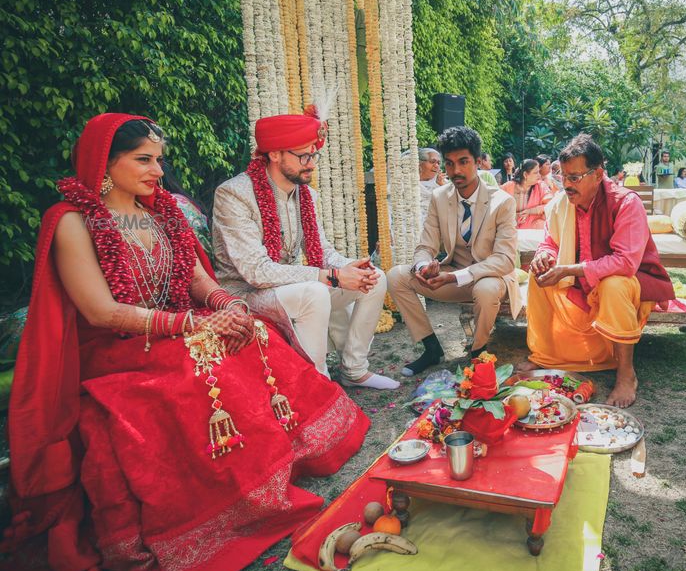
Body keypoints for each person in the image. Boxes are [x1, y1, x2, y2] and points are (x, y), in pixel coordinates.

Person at [4, 114, 369, 571]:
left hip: (174, 325)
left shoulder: (160, 210)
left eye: (159, 160)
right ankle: (229, 503)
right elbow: (99, 311)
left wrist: (224, 304)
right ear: (104, 162)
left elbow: (196, 279)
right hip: (117, 345)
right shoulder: (72, 221)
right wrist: (191, 325)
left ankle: (287, 462)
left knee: (252, 332)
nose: (158, 170)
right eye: (144, 160)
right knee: (201, 361)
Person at [212, 109, 399, 389]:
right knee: (314, 291)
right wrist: (332, 277)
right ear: (274, 154)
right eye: (303, 156)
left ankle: (355, 369)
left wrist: (350, 267)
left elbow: (322, 252)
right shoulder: (235, 194)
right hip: (245, 294)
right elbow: (255, 271)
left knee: (375, 278)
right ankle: (317, 386)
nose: (311, 164)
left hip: (288, 287)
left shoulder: (305, 195)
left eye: (314, 156)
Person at [521, 134, 674, 408]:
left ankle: (626, 373)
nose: (566, 185)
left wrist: (572, 269)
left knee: (613, 283)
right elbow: (550, 241)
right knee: (540, 276)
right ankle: (545, 357)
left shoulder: (626, 202)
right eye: (562, 177)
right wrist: (545, 256)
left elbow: (626, 262)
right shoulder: (560, 204)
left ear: (598, 174)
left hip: (629, 285)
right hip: (582, 287)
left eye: (575, 177)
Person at [387, 126, 520, 376]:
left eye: (463, 162)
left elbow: (504, 261)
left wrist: (454, 276)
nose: (455, 171)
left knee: (486, 287)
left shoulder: (503, 202)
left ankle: (479, 353)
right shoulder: (440, 197)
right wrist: (423, 267)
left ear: (479, 162)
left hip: (491, 279)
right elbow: (425, 246)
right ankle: (431, 348)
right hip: (452, 276)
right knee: (396, 276)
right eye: (449, 163)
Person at [500, 158, 553, 230]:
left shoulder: (541, 186)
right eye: (536, 173)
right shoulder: (507, 187)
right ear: (525, 174)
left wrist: (531, 211)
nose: (539, 175)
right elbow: (497, 209)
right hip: (511, 230)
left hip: (534, 231)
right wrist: (514, 216)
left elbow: (551, 204)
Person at [418, 147, 447, 222]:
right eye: (432, 162)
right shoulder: (405, 184)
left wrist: (442, 186)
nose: (436, 166)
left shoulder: (443, 183)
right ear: (419, 163)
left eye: (438, 163)